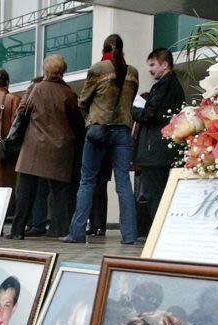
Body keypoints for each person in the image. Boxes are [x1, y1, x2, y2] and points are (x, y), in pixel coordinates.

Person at [66, 34, 140, 245]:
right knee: (123, 183)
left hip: (98, 130)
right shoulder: (132, 72)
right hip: (123, 131)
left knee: (87, 181)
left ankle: (77, 232)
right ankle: (129, 235)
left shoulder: (98, 69)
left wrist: (91, 116)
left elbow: (82, 100)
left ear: (104, 48)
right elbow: (131, 99)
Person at [8, 56, 84, 240]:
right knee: (59, 193)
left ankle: (17, 230)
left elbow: (22, 114)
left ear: (46, 70)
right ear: (63, 70)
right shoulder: (69, 93)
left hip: (33, 147)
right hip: (60, 147)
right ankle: (62, 230)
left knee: (25, 190)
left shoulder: (36, 88)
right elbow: (78, 124)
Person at [133, 48, 185, 239]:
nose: (150, 69)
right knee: (161, 192)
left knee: (154, 194)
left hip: (155, 150)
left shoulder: (164, 86)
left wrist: (134, 110)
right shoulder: (173, 85)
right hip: (164, 149)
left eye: (153, 64)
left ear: (165, 64)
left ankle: (158, 234)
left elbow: (150, 114)